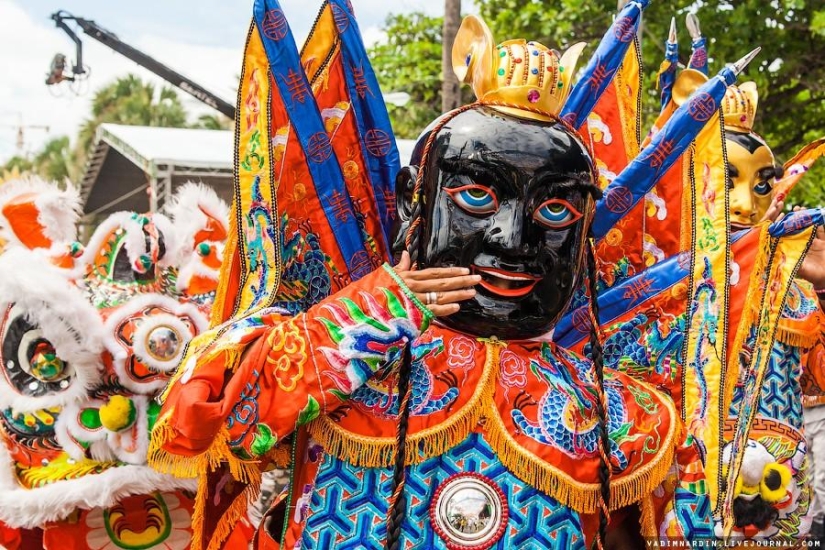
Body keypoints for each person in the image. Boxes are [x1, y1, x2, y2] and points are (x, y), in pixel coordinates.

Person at [149, 8, 715, 550]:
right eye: (475, 196)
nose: (512, 241)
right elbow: (204, 416)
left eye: (556, 211)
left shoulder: (622, 410)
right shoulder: (345, 351)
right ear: (410, 202)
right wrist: (375, 312)